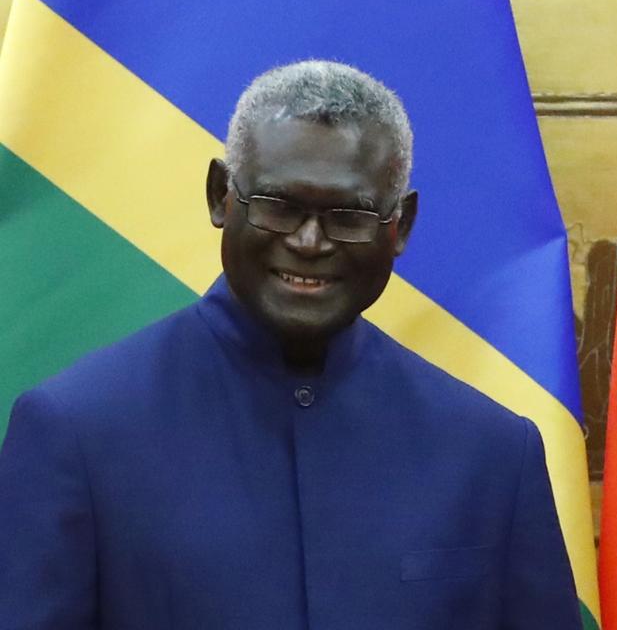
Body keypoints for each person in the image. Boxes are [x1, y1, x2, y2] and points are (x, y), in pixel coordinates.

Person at [0, 60, 582, 629]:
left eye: (348, 215)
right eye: (280, 207)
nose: (309, 241)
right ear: (220, 197)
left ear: (400, 226)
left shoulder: (495, 454)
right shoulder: (75, 432)